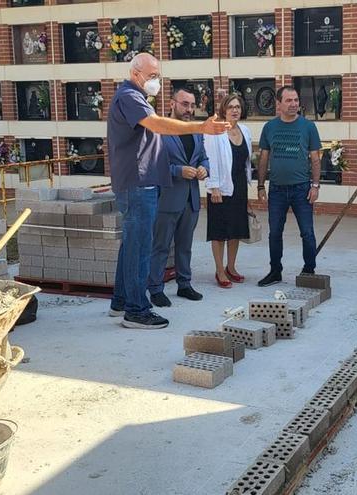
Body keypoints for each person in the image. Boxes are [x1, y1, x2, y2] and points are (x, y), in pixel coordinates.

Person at [107, 53, 228, 329]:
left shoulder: (135, 97)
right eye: (152, 76)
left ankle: (121, 301)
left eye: (157, 76)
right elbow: (157, 124)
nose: (156, 81)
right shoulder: (129, 96)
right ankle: (136, 310)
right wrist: (201, 127)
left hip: (141, 183)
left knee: (131, 244)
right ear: (135, 74)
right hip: (138, 183)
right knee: (140, 248)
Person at [147, 88, 209, 307]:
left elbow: (203, 157)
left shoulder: (196, 131)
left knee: (185, 245)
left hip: (191, 199)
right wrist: (177, 171)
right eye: (184, 104)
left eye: (192, 105)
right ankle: (155, 288)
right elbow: (152, 165)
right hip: (167, 198)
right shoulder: (160, 130)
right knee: (161, 246)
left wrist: (204, 169)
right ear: (172, 104)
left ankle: (184, 284)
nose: (189, 110)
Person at [256, 86, 322, 287]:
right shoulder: (269, 127)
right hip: (276, 189)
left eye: (296, 100)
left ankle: (309, 270)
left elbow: (315, 159)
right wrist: (260, 186)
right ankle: (275, 271)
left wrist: (315, 186)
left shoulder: (308, 127)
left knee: (307, 232)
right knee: (274, 232)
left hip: (302, 188)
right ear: (278, 104)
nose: (294, 104)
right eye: (289, 100)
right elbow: (264, 158)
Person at [204, 94, 254, 288]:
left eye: (238, 107)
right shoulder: (214, 131)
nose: (235, 110)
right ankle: (219, 271)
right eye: (231, 107)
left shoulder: (245, 130)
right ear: (223, 110)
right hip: (220, 187)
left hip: (239, 186)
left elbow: (246, 163)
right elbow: (210, 159)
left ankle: (231, 267)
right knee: (219, 231)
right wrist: (213, 186)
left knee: (236, 230)